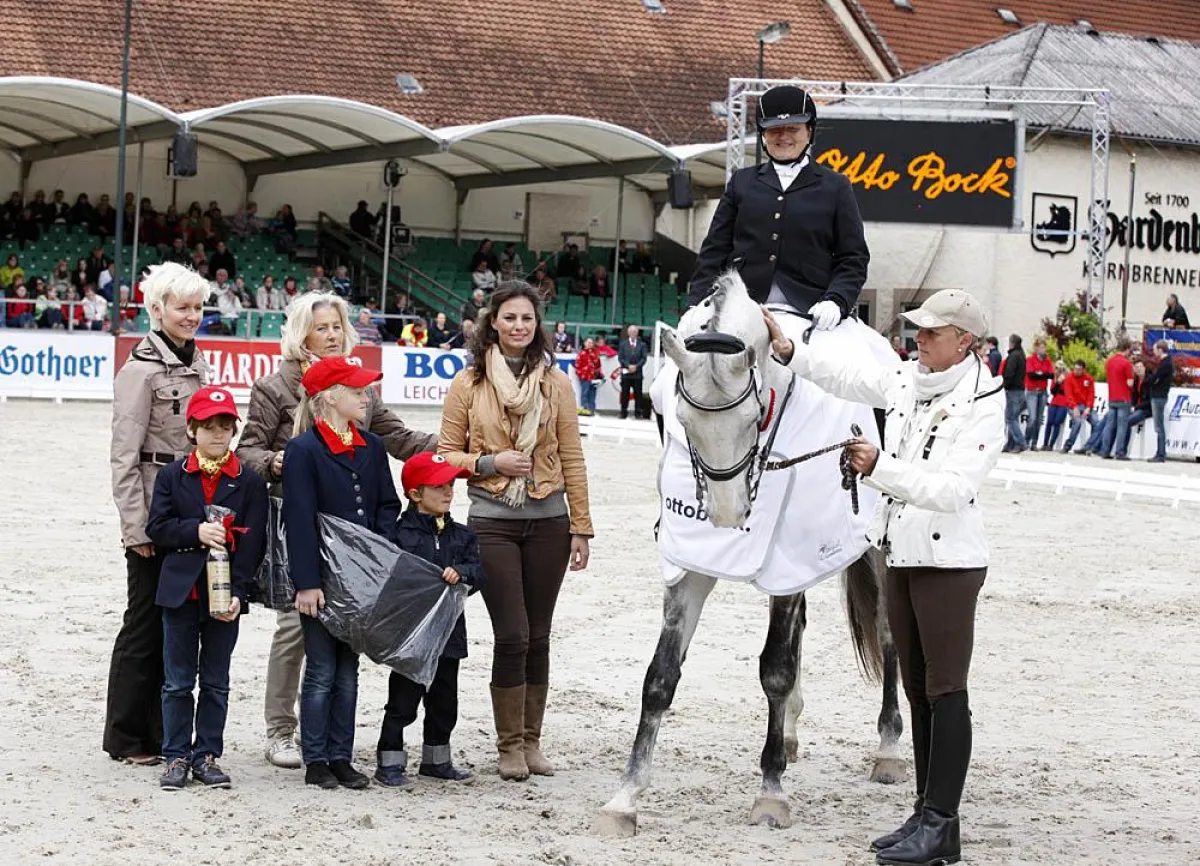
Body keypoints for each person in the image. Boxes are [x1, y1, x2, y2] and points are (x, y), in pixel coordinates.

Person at [763, 289, 1003, 866]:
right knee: (917, 689)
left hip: (949, 562)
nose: (917, 340)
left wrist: (879, 468)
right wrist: (788, 348)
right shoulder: (906, 380)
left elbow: (952, 489)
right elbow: (844, 376)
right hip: (901, 551)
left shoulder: (984, 403)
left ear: (964, 342)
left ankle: (944, 822)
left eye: (930, 333)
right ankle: (925, 810)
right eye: (916, 331)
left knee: (947, 691)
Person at [236, 291, 435, 770]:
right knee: (293, 627)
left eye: (336, 327)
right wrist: (278, 462)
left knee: (340, 627)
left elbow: (398, 437)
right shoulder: (275, 387)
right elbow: (247, 452)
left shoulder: (358, 386)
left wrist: (451, 449)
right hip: (294, 518)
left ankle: (324, 735)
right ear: (301, 332)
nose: (330, 335)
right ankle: (280, 728)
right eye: (321, 327)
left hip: (349, 532)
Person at [438, 281, 593, 781]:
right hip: (492, 521)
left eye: (527, 318)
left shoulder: (557, 383)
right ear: (493, 323)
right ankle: (508, 746)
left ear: (537, 324)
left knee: (540, 635)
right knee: (513, 634)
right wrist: (490, 461)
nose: (519, 326)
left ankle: (531, 742)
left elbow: (571, 455)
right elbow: (444, 455)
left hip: (549, 519)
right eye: (510, 318)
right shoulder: (468, 383)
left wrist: (581, 528)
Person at [106, 263, 211, 765]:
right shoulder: (138, 372)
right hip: (153, 513)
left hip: (189, 511)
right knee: (144, 623)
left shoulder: (199, 364)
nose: (192, 316)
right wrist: (135, 528)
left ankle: (161, 732)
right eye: (182, 307)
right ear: (157, 310)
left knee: (177, 622)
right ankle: (126, 737)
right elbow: (124, 457)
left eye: (197, 307)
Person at [283, 357, 401, 790]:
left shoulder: (372, 447)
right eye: (356, 391)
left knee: (348, 670)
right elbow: (297, 520)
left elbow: (388, 504)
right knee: (320, 670)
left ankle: (341, 754)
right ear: (330, 397)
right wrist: (307, 583)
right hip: (322, 579)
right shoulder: (303, 450)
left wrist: (378, 547)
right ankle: (315, 757)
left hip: (362, 578)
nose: (365, 396)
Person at [146, 387, 269, 790]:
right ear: (192, 431)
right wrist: (195, 531)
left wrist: (240, 592)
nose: (218, 434)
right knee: (177, 680)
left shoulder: (249, 482)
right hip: (181, 592)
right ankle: (176, 754)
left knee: (216, 681)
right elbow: (157, 528)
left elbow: (253, 544)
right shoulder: (171, 476)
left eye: (226, 427)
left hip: (224, 596)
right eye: (210, 427)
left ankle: (208, 754)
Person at [689, 84, 868, 332]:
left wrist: (837, 299)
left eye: (793, 129)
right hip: (743, 306)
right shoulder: (742, 182)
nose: (783, 137)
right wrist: (696, 302)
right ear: (763, 135)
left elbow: (853, 257)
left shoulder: (836, 186)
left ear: (809, 132)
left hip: (811, 309)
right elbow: (714, 251)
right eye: (774, 130)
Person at [374, 451, 483, 787]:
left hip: (449, 634)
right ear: (415, 494)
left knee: (444, 701)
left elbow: (479, 574)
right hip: (410, 637)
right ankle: (389, 762)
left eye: (450, 484)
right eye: (438, 486)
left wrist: (462, 572)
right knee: (402, 703)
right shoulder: (398, 535)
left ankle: (437, 760)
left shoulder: (463, 535)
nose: (448, 491)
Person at [1099, 340, 1135, 460]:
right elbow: (1130, 383)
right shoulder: (1126, 363)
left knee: (1109, 426)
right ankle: (1119, 452)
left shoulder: (1109, 361)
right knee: (1122, 426)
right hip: (1123, 397)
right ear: (1128, 349)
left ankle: (1105, 451)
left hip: (1112, 396)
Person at [1023, 338, 1054, 450]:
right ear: (1036, 348)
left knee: (1039, 418)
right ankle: (1026, 441)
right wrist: (1041, 374)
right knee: (1032, 418)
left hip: (1043, 392)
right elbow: (1031, 375)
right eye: (1041, 347)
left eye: (1044, 347)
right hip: (1032, 391)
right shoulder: (1030, 360)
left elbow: (1051, 375)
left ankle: (1034, 443)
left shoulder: (1048, 361)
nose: (1043, 349)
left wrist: (1040, 374)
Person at [1146, 340, 1174, 462]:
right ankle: (1160, 453)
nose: (1153, 352)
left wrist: (1151, 378)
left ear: (1160, 350)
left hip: (1159, 396)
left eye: (1155, 349)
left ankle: (1160, 454)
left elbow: (1155, 379)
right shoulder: (1164, 363)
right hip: (1159, 395)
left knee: (1159, 426)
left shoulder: (1165, 364)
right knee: (1158, 426)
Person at [1060, 361, 1097, 453]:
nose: (1076, 371)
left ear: (1083, 370)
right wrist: (1074, 407)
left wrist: (1088, 407)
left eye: (1079, 370)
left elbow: (1091, 394)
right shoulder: (1069, 378)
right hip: (1073, 406)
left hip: (1086, 406)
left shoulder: (1089, 379)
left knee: (1096, 422)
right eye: (1075, 369)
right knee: (1077, 421)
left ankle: (1089, 447)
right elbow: (1068, 395)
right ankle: (1067, 446)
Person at [617, 325, 649, 420]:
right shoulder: (623, 344)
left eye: (635, 332)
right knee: (624, 394)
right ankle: (623, 413)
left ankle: (638, 413)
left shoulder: (642, 345)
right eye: (631, 332)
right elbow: (621, 358)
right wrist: (628, 366)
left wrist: (636, 366)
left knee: (638, 394)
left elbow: (644, 358)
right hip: (626, 374)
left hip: (637, 374)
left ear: (637, 333)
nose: (633, 333)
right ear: (628, 333)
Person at [1001, 334, 1027, 453]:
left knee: (1010, 418)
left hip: (1013, 390)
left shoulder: (1013, 356)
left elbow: (1009, 373)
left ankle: (1020, 442)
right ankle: (1010, 444)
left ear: (1012, 343)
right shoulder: (1021, 355)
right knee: (1014, 418)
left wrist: (1004, 385)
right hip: (1020, 389)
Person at [1043, 362, 1071, 451]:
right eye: (1055, 368)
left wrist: (1063, 379)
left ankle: (1051, 444)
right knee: (1049, 421)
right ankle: (1045, 443)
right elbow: (1053, 391)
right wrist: (1058, 382)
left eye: (1058, 368)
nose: (1056, 370)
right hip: (1055, 400)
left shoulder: (1067, 377)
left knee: (1057, 422)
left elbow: (1068, 390)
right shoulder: (1055, 377)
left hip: (1063, 401)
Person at [574, 337, 602, 416]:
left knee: (592, 394)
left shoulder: (595, 354)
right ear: (584, 343)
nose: (590, 344)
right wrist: (581, 374)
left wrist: (598, 375)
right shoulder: (581, 353)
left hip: (594, 378)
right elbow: (577, 366)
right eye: (588, 342)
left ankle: (592, 410)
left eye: (591, 343)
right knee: (585, 393)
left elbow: (598, 365)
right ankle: (585, 410)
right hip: (584, 377)